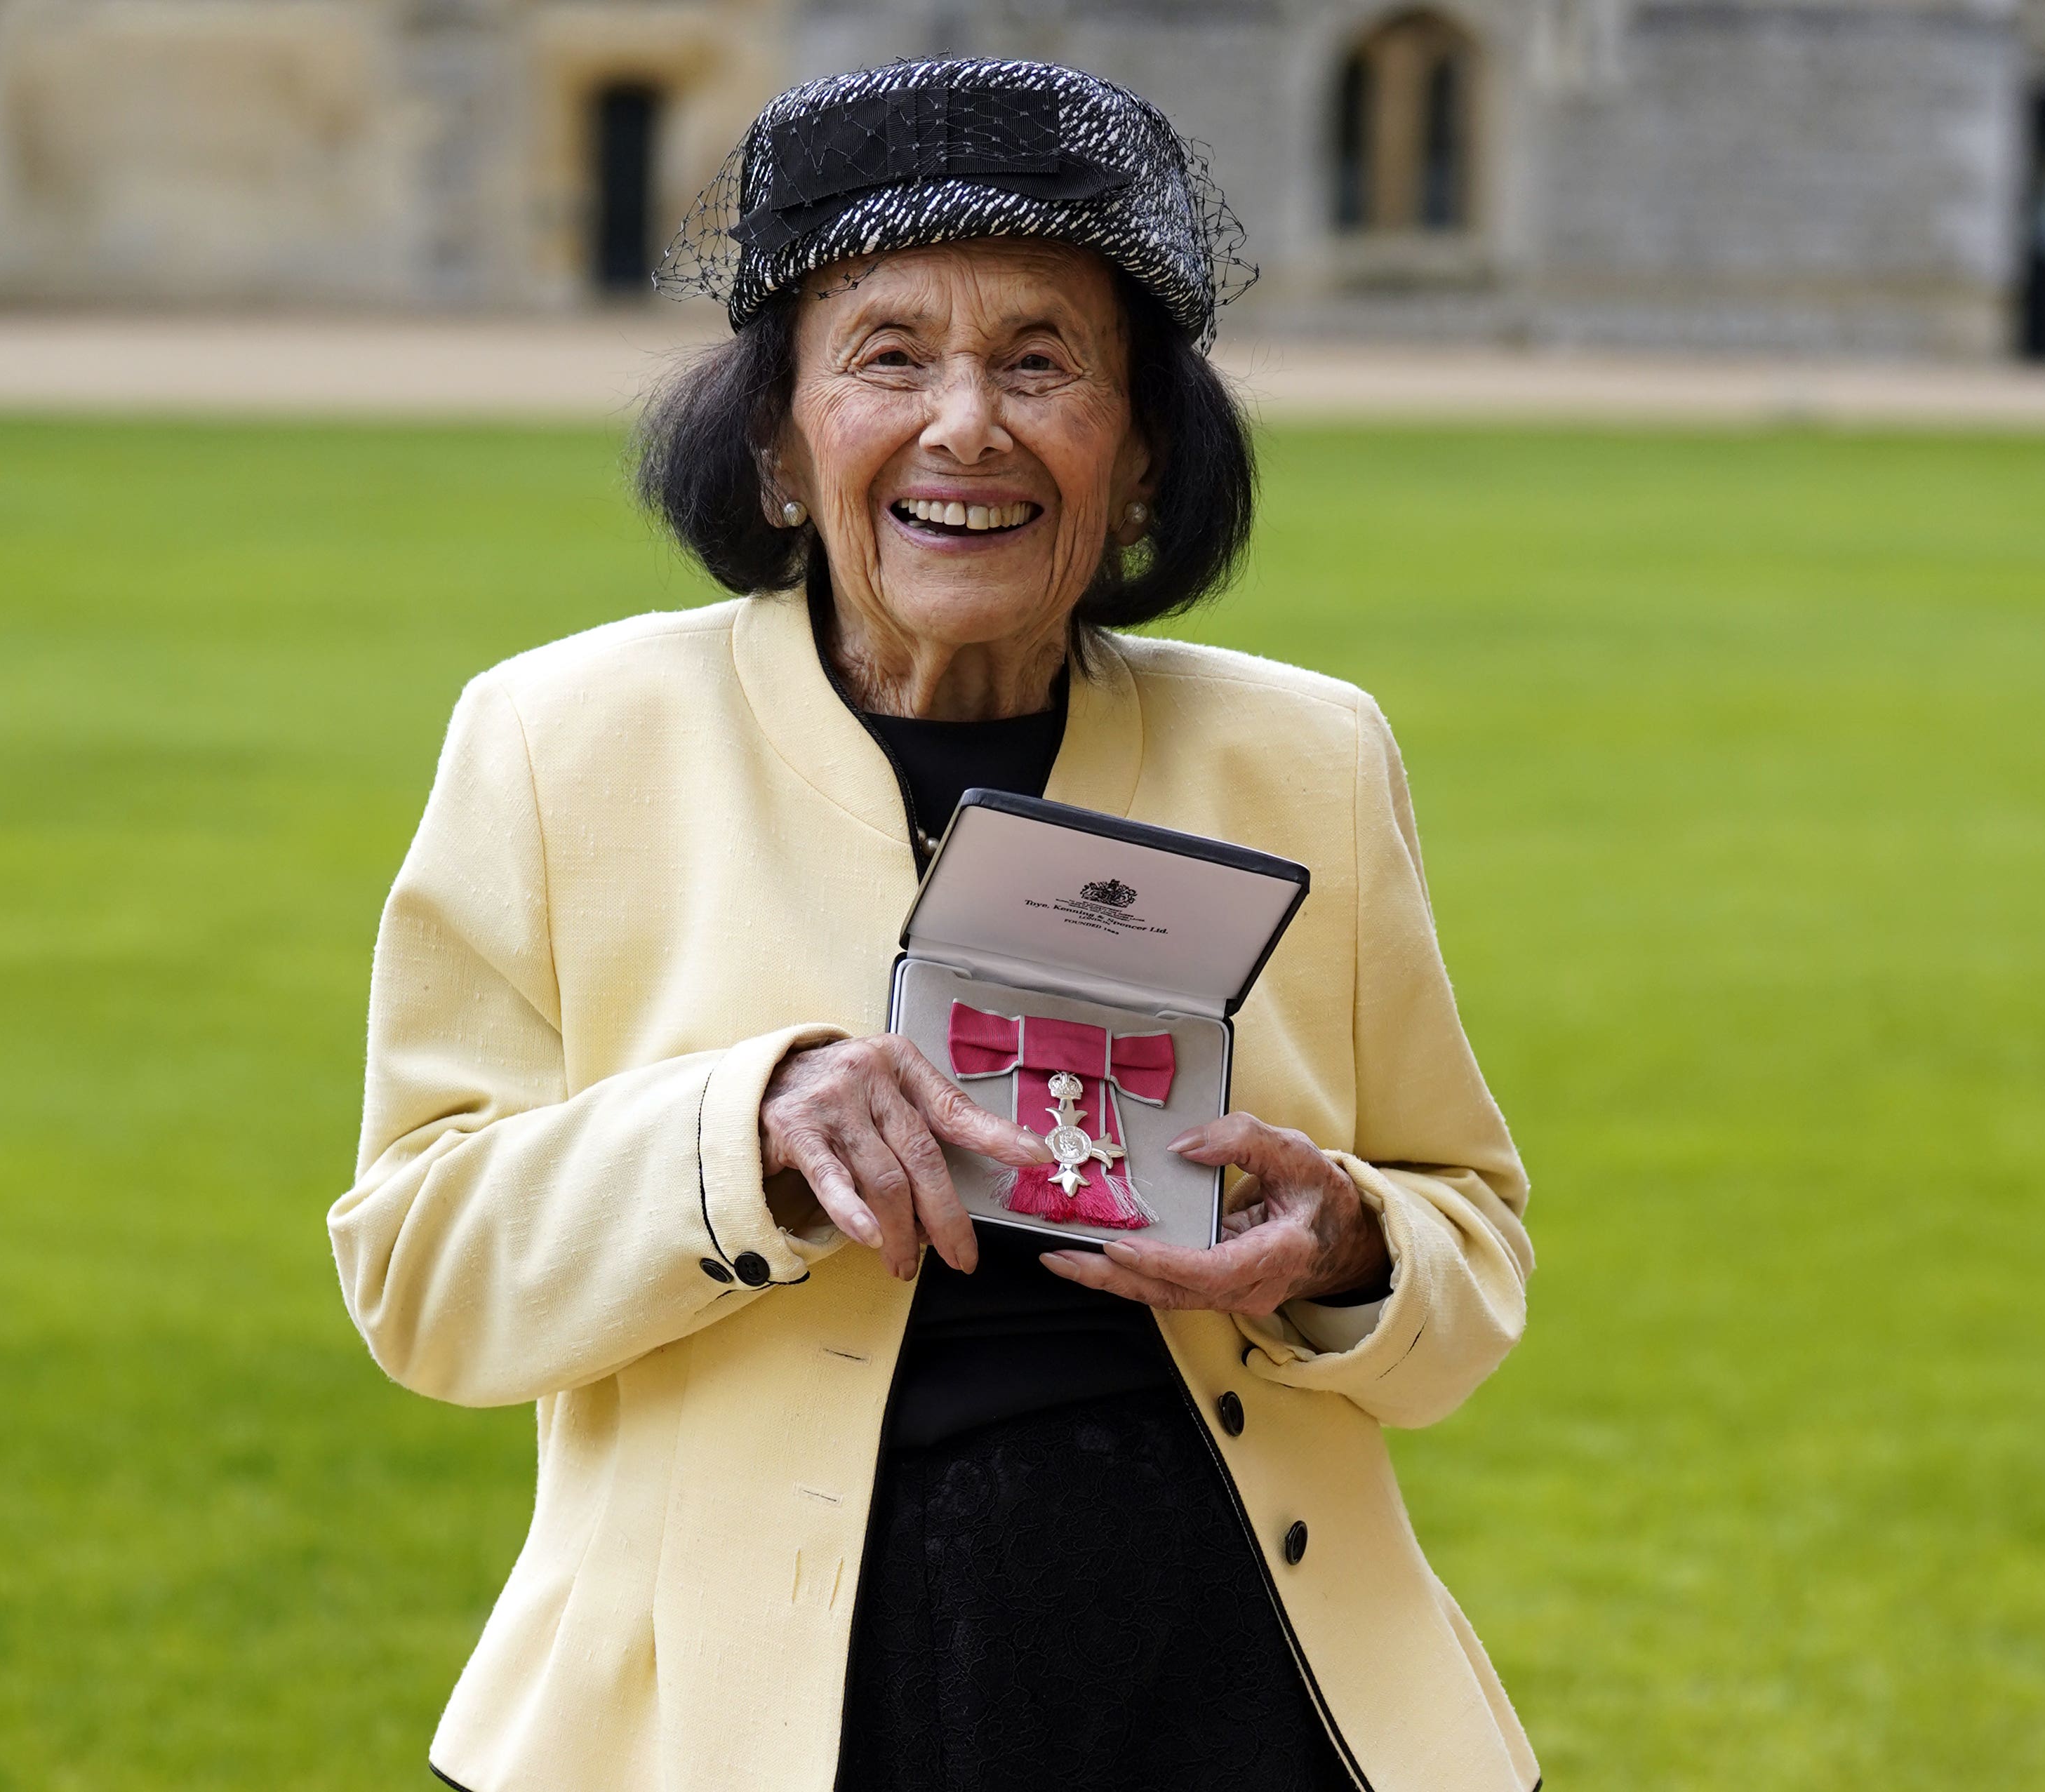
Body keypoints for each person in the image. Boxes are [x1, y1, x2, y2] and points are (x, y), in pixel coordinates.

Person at [330, 57, 1538, 1792]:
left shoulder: (1304, 754)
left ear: (1136, 456)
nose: (965, 421)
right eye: (888, 354)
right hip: (729, 1714)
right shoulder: (559, 738)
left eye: (1041, 360)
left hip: (1234, 1671)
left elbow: (1469, 1233)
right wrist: (739, 1128)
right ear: (772, 439)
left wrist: (1344, 1245)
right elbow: (417, 1269)